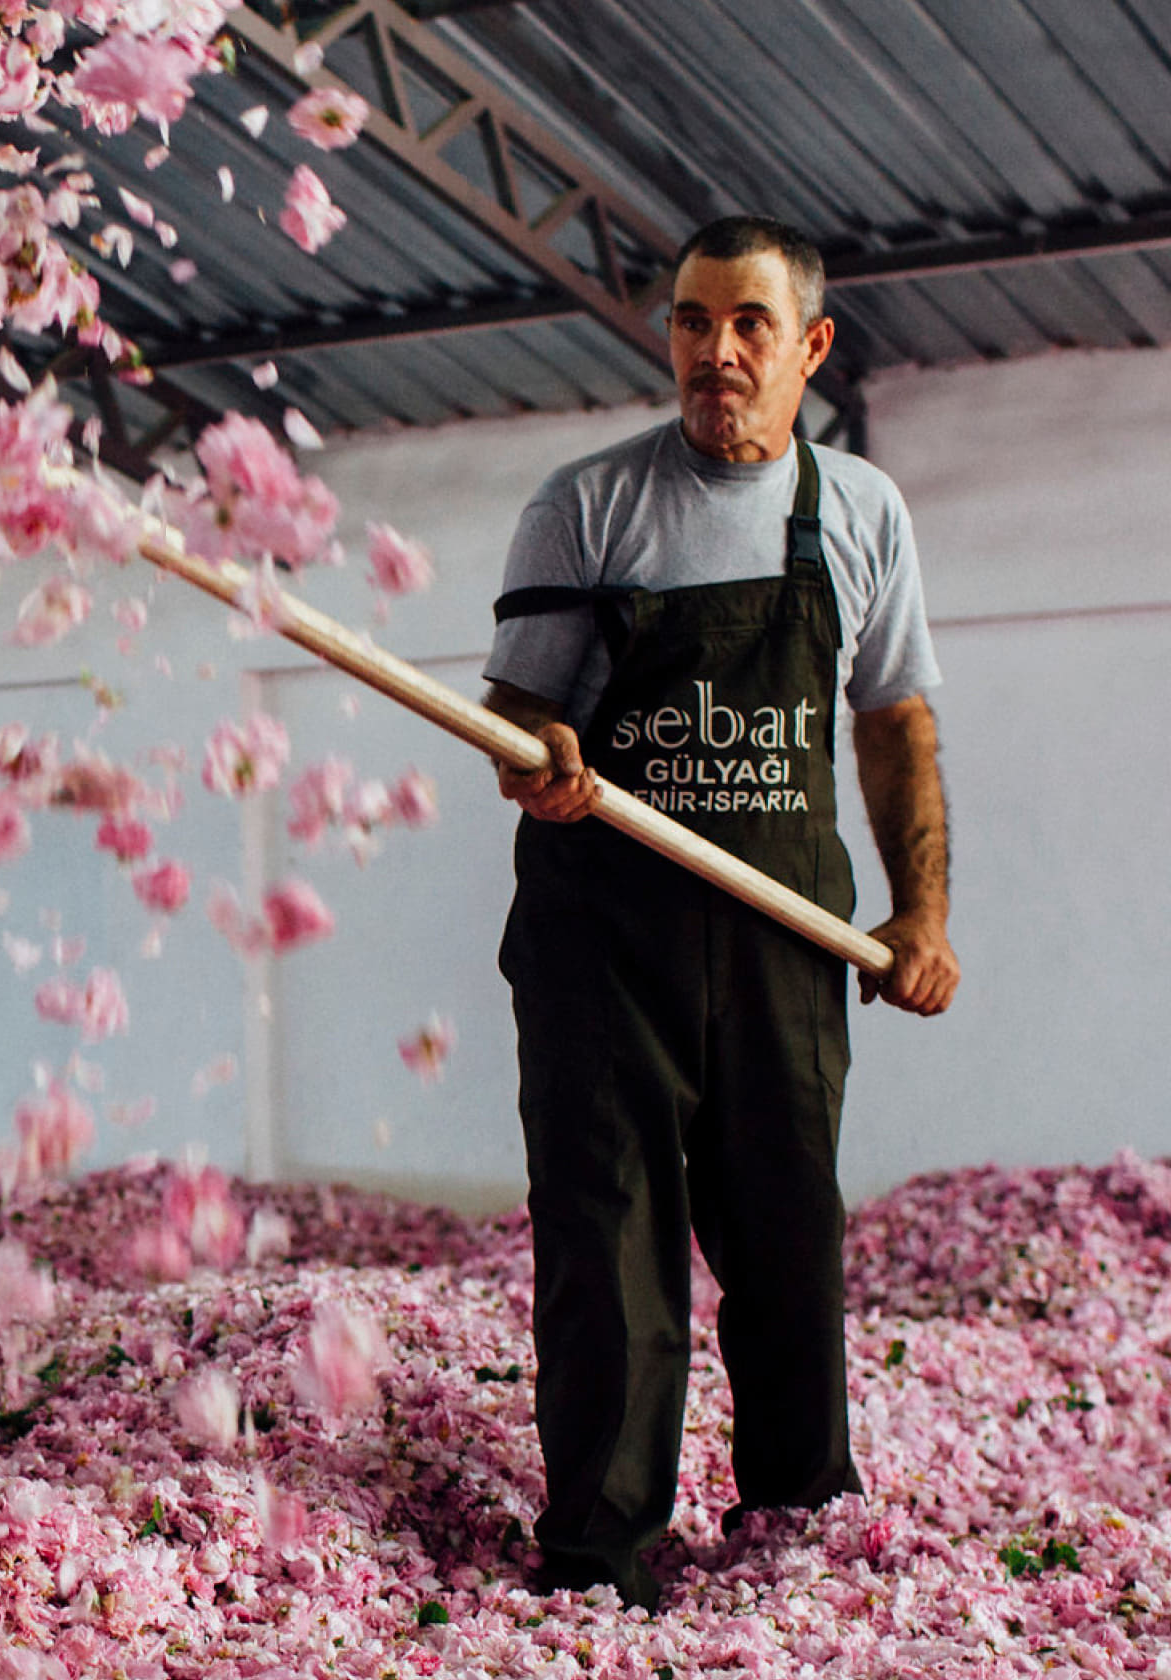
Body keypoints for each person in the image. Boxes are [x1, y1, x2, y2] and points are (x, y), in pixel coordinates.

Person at [481, 215, 960, 1611]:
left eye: (749, 324)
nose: (717, 352)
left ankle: (801, 1524)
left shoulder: (860, 511)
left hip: (782, 943)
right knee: (608, 1251)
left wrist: (921, 912)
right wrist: (538, 763)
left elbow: (893, 722)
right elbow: (514, 710)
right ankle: (598, 1553)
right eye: (693, 323)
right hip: (601, 947)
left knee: (791, 1243)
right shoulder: (587, 503)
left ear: (809, 347)